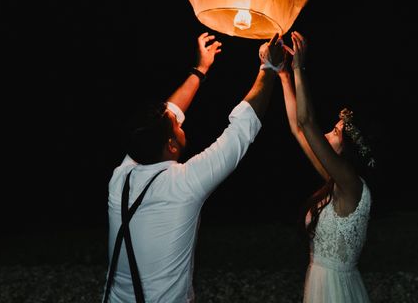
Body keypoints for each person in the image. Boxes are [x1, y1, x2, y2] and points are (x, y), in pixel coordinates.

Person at [102, 31, 285, 303]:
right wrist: (269, 67)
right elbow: (241, 130)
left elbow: (169, 112)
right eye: (176, 124)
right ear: (171, 146)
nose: (179, 119)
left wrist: (200, 69)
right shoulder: (183, 184)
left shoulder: (121, 176)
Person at [278, 31, 376, 303]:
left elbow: (307, 122)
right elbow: (299, 130)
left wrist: (299, 66)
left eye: (335, 131)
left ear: (348, 151)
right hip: (320, 280)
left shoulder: (351, 185)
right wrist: (283, 75)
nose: (328, 133)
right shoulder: (336, 181)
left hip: (335, 290)